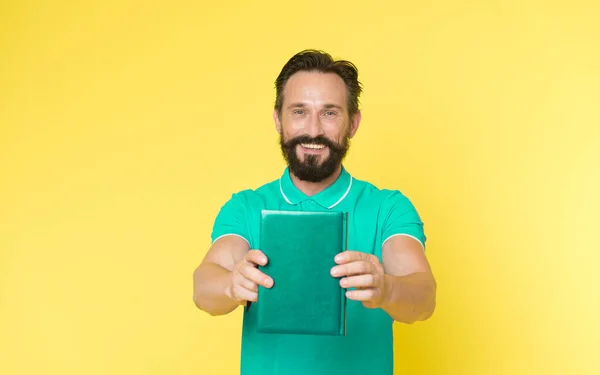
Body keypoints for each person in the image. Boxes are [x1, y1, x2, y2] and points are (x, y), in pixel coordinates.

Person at [192, 49, 437, 375]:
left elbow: (423, 298)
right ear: (278, 119)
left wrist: (387, 288)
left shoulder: (387, 207)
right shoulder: (247, 206)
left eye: (330, 113)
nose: (314, 130)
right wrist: (231, 285)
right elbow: (203, 287)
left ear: (353, 123)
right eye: (299, 112)